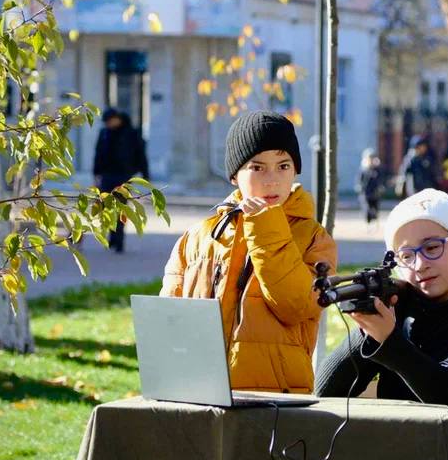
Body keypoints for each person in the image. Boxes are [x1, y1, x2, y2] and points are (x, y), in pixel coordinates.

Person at [160, 111, 337, 393]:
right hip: (200, 391)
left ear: (295, 171)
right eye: (257, 167)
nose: (272, 180)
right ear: (234, 176)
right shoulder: (196, 238)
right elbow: (168, 322)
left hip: (277, 398)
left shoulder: (315, 239)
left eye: (283, 166)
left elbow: (295, 306)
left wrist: (266, 226)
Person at [314, 189, 448, 404]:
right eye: (406, 256)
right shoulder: (400, 313)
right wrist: (368, 331)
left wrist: (389, 341)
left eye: (432, 247)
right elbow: (326, 390)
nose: (420, 265)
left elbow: (447, 394)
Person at [92, 109, 150, 253]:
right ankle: (112, 237)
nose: (108, 124)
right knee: (106, 208)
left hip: (124, 177)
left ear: (117, 119)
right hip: (106, 176)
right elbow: (98, 154)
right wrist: (96, 174)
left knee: (121, 208)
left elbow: (141, 155)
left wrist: (145, 175)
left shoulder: (132, 133)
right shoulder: (104, 133)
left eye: (110, 121)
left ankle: (119, 240)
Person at [356, 148, 384, 230]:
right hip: (366, 193)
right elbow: (360, 180)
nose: (371, 160)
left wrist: (380, 187)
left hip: (375, 193)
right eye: (370, 158)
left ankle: (376, 224)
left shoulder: (377, 169)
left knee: (376, 209)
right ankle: (368, 225)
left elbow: (381, 179)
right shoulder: (363, 169)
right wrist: (360, 187)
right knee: (367, 209)